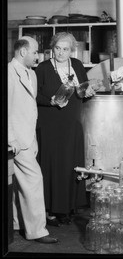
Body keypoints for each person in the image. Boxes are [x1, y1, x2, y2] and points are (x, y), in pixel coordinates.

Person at [35, 32, 95, 227]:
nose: (61, 52)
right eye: (58, 48)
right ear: (52, 48)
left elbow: (82, 91)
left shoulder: (77, 65)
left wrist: (89, 92)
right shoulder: (43, 68)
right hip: (51, 123)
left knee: (72, 164)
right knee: (53, 165)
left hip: (72, 123)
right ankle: (51, 209)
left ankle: (69, 207)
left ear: (72, 50)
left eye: (66, 49)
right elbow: (34, 95)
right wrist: (50, 101)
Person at [8, 36, 58, 244]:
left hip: (28, 137)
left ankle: (17, 224)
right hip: (16, 138)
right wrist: (11, 139)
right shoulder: (9, 74)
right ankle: (37, 231)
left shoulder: (31, 74)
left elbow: (30, 107)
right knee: (34, 179)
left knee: (19, 183)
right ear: (22, 52)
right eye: (35, 52)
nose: (38, 56)